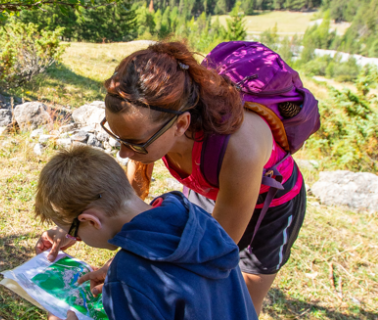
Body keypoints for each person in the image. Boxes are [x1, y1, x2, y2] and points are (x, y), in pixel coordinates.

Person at [36, 41, 307, 315]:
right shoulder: (154, 124)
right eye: (118, 138)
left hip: (269, 206)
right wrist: (73, 224)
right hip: (207, 187)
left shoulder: (240, 149)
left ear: (181, 125)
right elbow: (123, 195)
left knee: (238, 295)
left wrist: (128, 270)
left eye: (134, 143)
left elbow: (212, 249)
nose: (124, 152)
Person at [35, 146, 258, 320]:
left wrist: (128, 275)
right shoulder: (191, 215)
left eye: (75, 233)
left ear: (91, 221)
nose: (78, 239)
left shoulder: (129, 277)